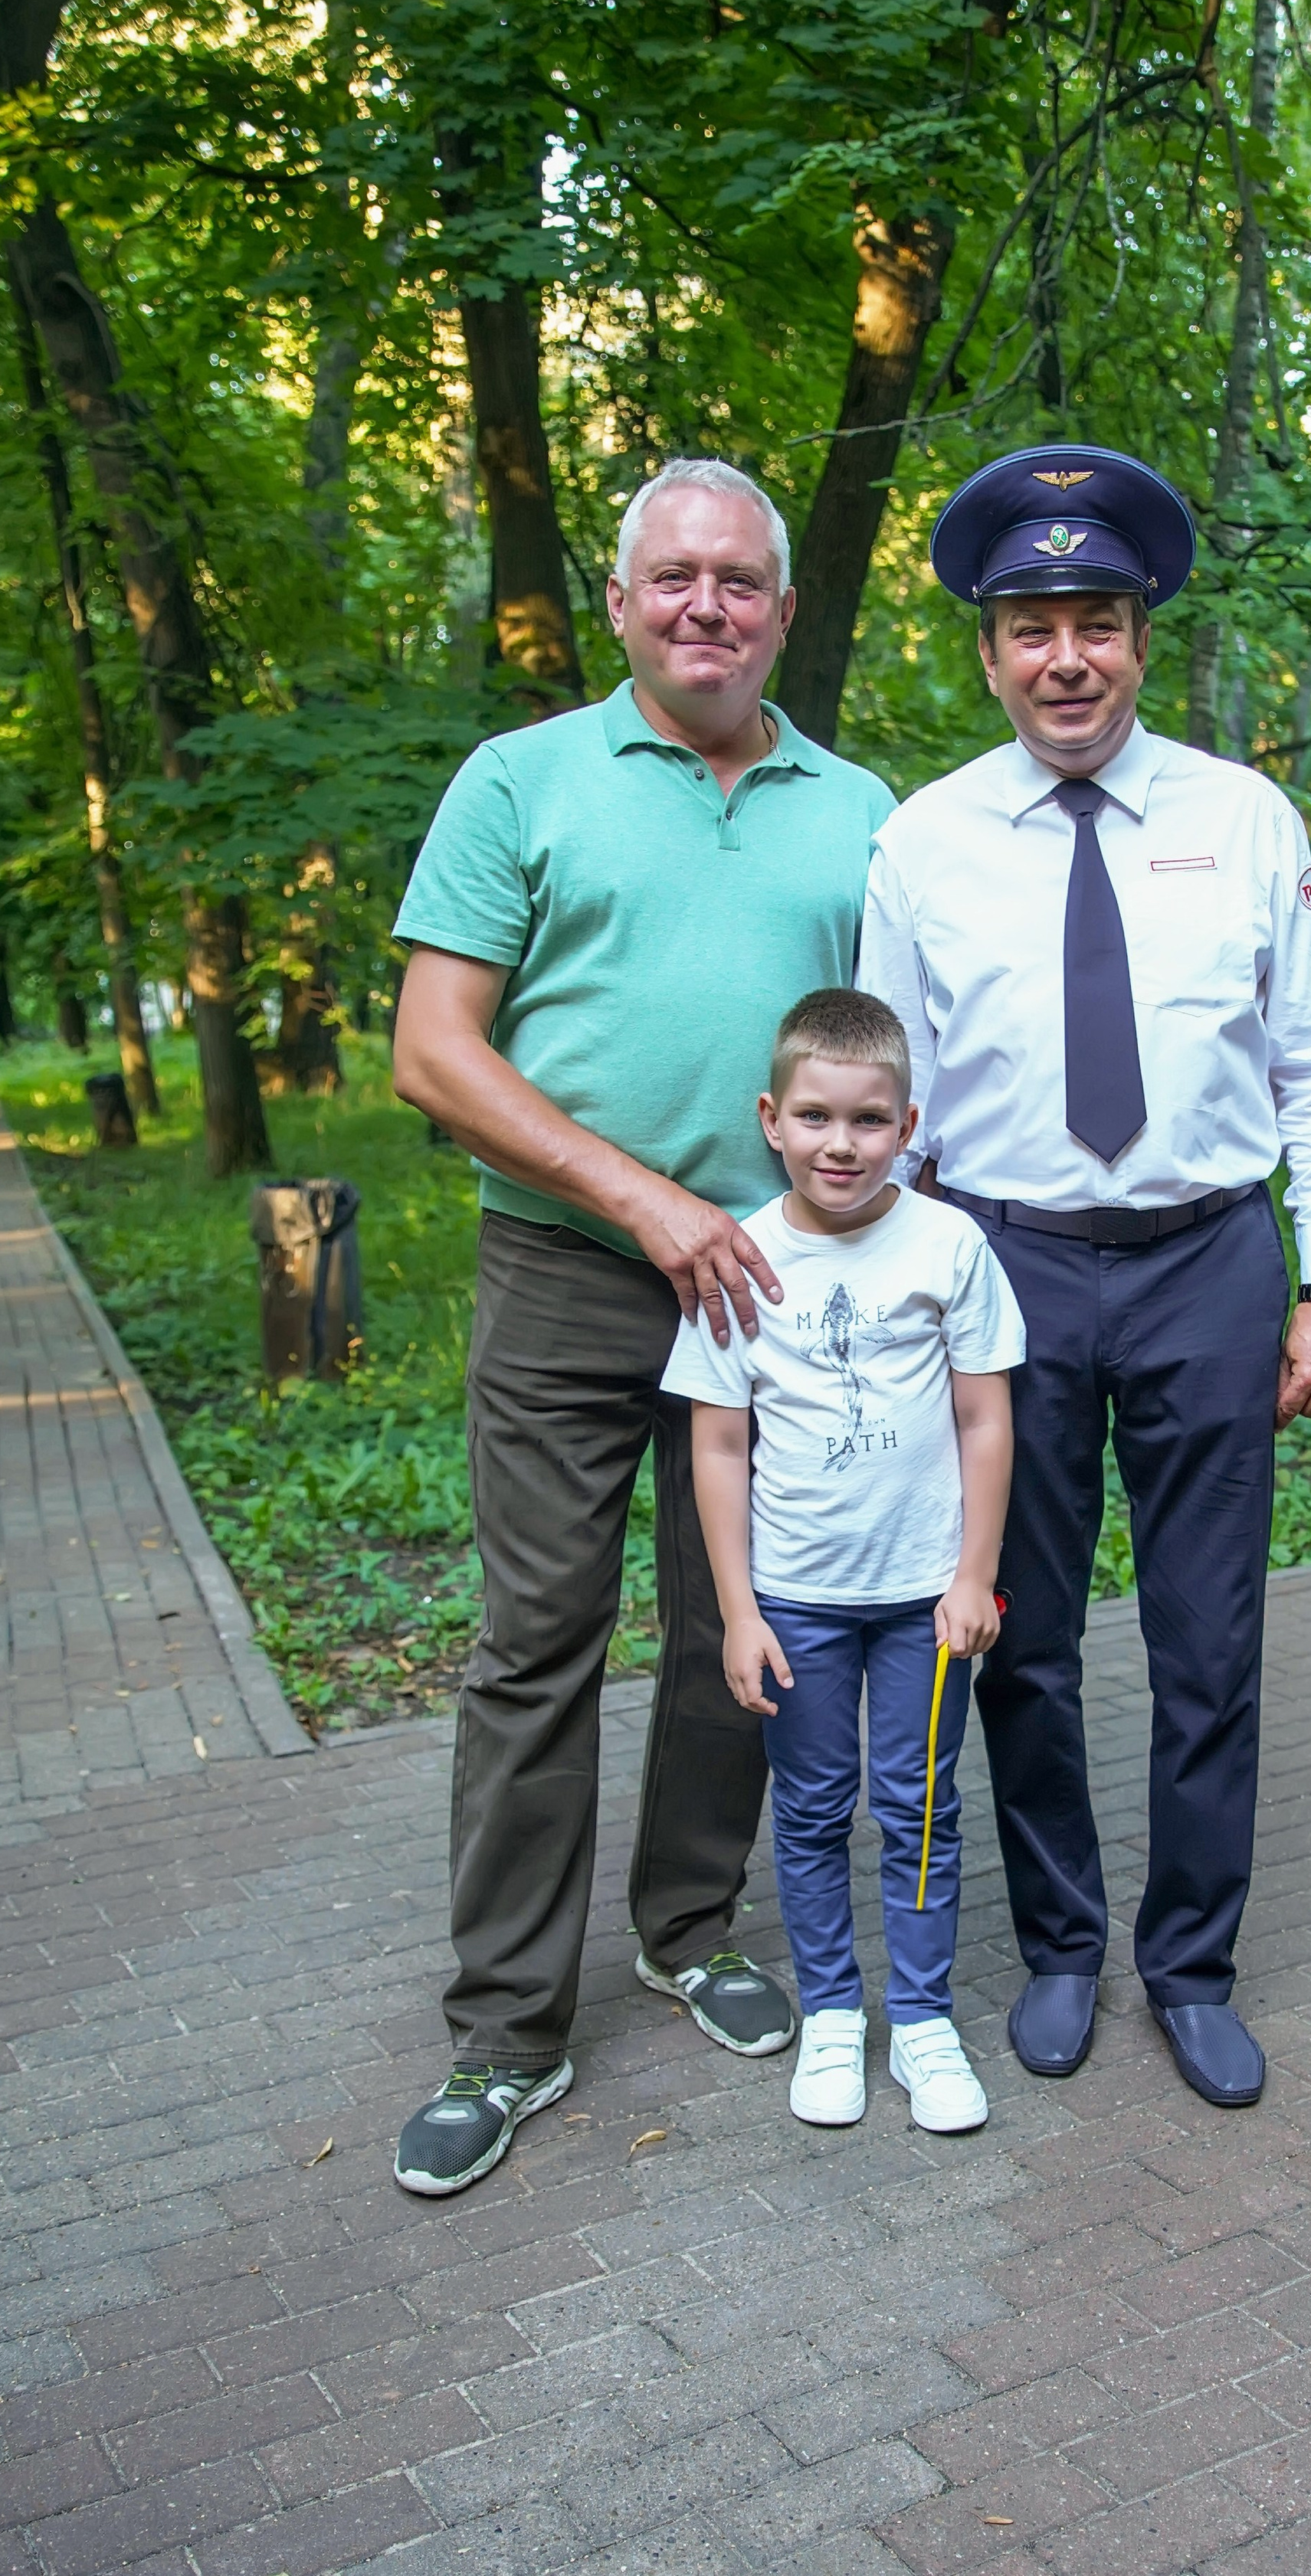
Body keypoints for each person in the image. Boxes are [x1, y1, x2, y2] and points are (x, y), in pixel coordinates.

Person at [388, 460, 896, 2197]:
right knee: (534, 1638)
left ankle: (689, 1924)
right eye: (670, 577)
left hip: (771, 1287)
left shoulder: (860, 811)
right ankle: (506, 2028)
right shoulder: (521, 778)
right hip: (562, 1270)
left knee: (731, 1627)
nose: (705, 605)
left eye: (737, 580)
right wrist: (640, 1199)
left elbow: (901, 1070)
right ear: (619, 603)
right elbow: (433, 1051)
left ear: (780, 606)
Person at [857, 444, 1311, 2104]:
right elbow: (894, 1104)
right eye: (1030, 627)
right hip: (1005, 1276)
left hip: (1209, 1266)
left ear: (1140, 635)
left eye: (1094, 620)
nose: (1063, 656)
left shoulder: (1240, 818)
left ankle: (1192, 1961)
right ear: (988, 650)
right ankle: (1066, 1945)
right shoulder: (922, 843)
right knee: (1013, 1634)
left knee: (1208, 1641)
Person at [664, 987, 1022, 2134]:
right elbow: (717, 1445)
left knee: (920, 1807)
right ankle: (832, 2014)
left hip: (924, 1600)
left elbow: (986, 1421)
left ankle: (920, 2020)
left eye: (869, 1121)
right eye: (815, 1116)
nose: (841, 1143)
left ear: (908, 1125)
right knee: (814, 1811)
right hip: (799, 1603)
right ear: (772, 1117)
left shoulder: (948, 1244)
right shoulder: (739, 1261)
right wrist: (738, 1611)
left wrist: (973, 1575)